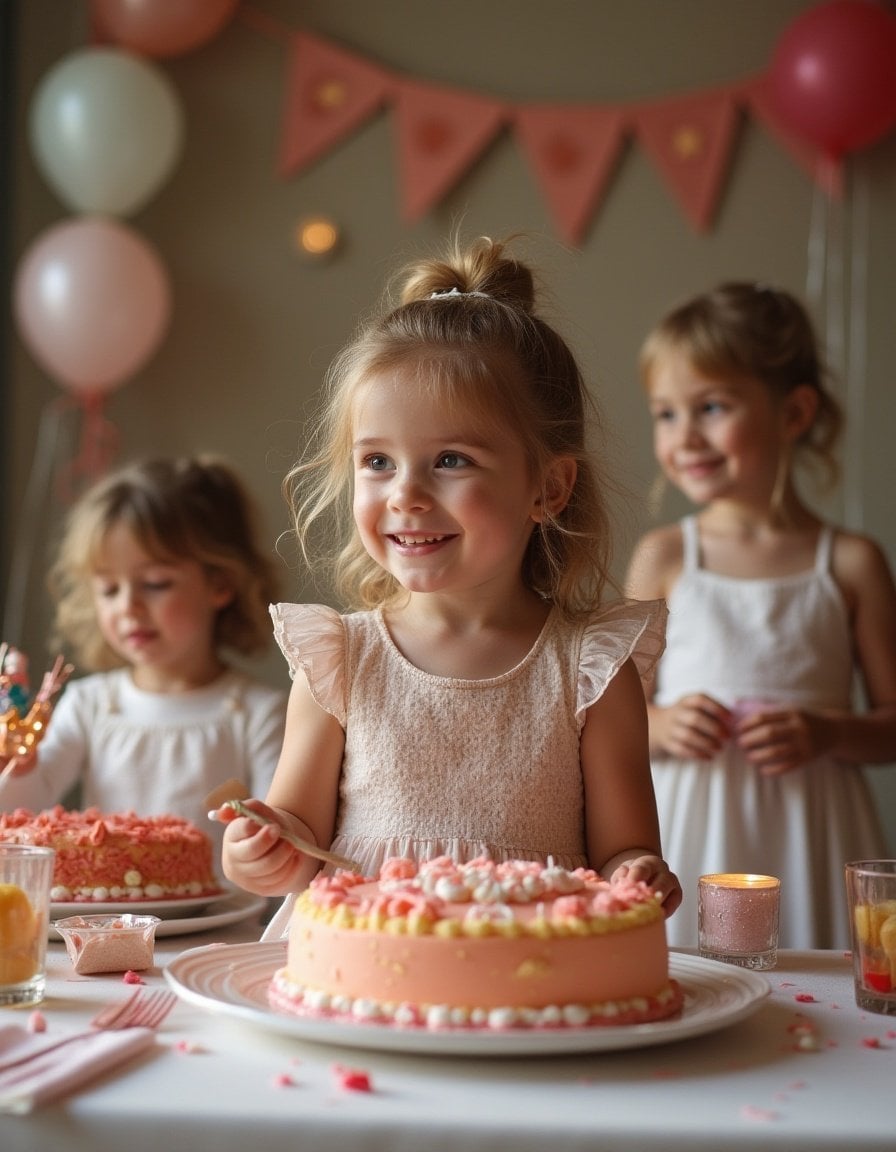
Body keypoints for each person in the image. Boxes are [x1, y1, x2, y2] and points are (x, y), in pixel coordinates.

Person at [217, 235, 682, 939]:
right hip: (360, 969)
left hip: (529, 967)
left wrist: (637, 871)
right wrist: (263, 848)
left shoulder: (590, 669)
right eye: (377, 461)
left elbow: (623, 852)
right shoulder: (339, 658)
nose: (405, 494)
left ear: (548, 487)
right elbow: (298, 836)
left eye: (451, 460)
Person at [625, 281, 896, 949]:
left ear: (794, 412)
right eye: (666, 414)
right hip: (693, 829)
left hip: (812, 832)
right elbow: (616, 716)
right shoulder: (665, 557)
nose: (686, 436)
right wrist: (664, 724)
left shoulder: (851, 563)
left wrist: (828, 732)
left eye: (711, 407)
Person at [1, 456, 288, 864]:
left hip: (229, 908)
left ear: (220, 584)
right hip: (107, 906)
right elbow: (21, 810)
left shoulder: (261, 715)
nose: (128, 607)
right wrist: (22, 764)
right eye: (108, 589)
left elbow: (276, 842)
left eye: (155, 584)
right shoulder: (89, 704)